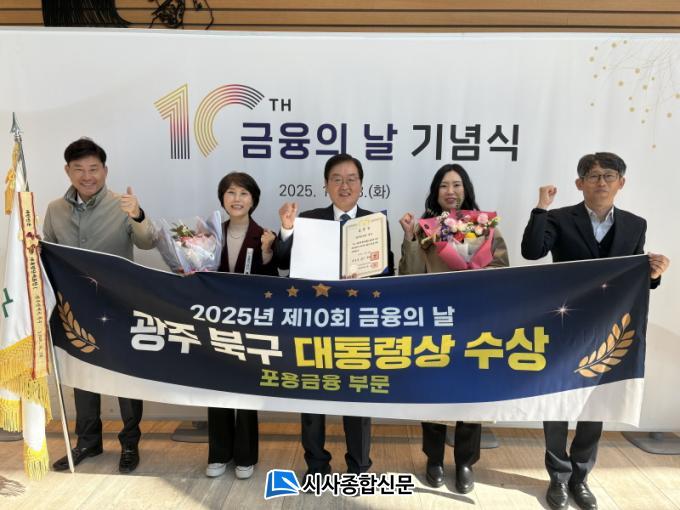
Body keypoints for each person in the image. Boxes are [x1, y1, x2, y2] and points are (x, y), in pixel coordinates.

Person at [521, 152, 670, 510]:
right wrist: (541, 208)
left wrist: (653, 274)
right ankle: (558, 477)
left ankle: (580, 477)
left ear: (621, 182)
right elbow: (531, 251)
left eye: (609, 175)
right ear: (580, 183)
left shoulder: (635, 224)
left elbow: (634, 277)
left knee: (597, 401)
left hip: (610, 327)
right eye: (593, 176)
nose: (601, 182)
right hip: (564, 323)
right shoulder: (559, 218)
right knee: (556, 399)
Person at [276, 153, 395, 479]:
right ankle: (316, 466)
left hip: (358, 325)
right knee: (313, 396)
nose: (345, 185)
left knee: (358, 398)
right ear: (326, 185)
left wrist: (367, 277)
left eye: (351, 179)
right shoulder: (309, 220)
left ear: (361, 185)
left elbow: (388, 276)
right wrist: (287, 229)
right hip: (316, 324)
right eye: (337, 179)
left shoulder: (375, 223)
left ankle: (359, 467)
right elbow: (283, 263)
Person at [46, 138, 155, 473]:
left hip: (119, 305)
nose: (87, 176)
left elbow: (147, 241)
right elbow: (49, 252)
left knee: (126, 377)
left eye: (93, 168)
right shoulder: (55, 209)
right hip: (74, 307)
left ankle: (130, 444)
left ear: (105, 171)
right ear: (68, 171)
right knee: (83, 375)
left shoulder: (122, 205)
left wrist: (137, 214)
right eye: (79, 169)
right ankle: (87, 442)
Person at [398, 163, 509, 493]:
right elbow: (409, 276)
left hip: (476, 321)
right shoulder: (425, 227)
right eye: (444, 185)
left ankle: (465, 461)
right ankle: (433, 458)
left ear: (466, 189)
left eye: (457, 185)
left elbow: (503, 269)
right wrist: (410, 238)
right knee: (433, 390)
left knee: (471, 392)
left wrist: (477, 274)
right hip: (436, 321)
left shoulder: (486, 225)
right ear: (435, 192)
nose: (450, 191)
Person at [205, 172, 277, 480]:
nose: (237, 199)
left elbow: (272, 284)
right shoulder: (209, 235)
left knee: (246, 389)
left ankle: (246, 456)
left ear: (253, 200)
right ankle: (218, 453)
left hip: (250, 324)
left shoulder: (265, 236)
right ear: (222, 198)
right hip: (216, 322)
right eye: (231, 192)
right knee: (216, 387)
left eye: (243, 193)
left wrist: (267, 253)